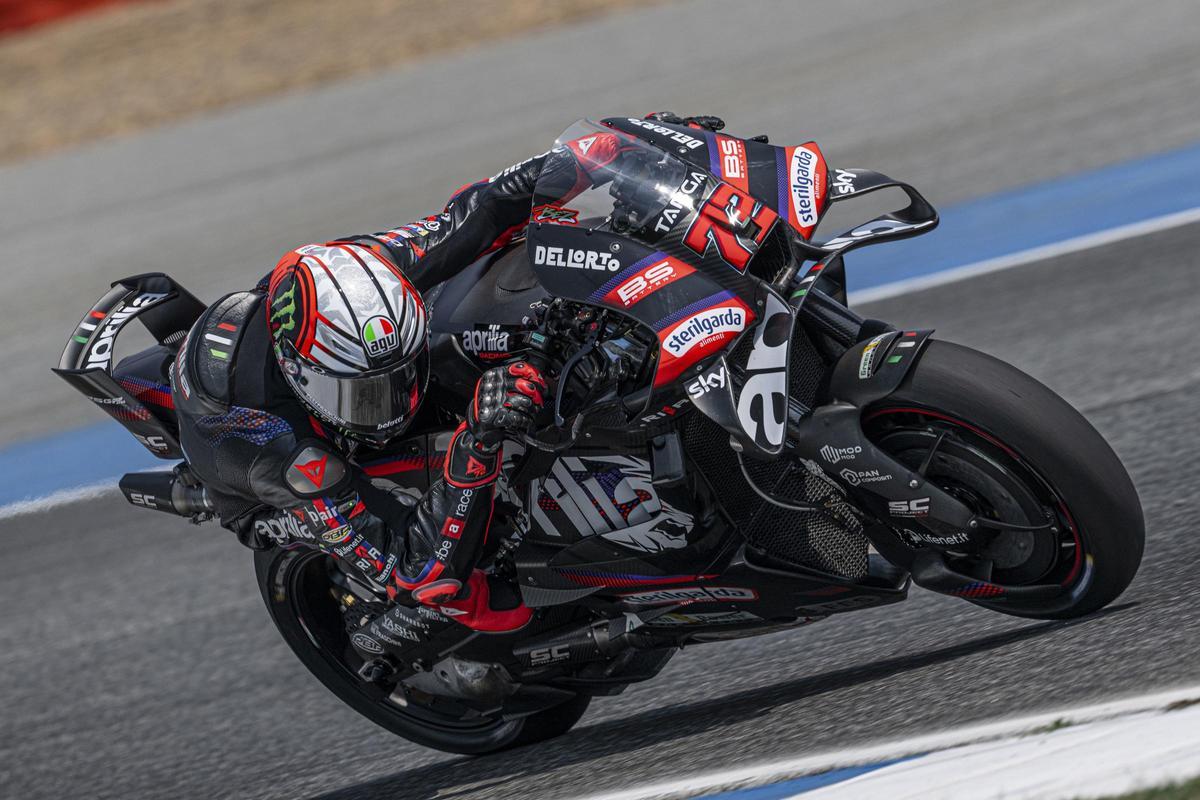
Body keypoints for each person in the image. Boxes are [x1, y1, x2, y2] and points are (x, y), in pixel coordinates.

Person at [170, 113, 724, 678]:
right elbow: (412, 566)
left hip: (352, 344)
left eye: (398, 380)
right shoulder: (279, 446)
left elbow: (478, 212)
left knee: (507, 300)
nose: (393, 404)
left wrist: (595, 158)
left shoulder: (377, 269)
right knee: (448, 592)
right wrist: (478, 441)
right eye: (368, 398)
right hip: (258, 465)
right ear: (305, 376)